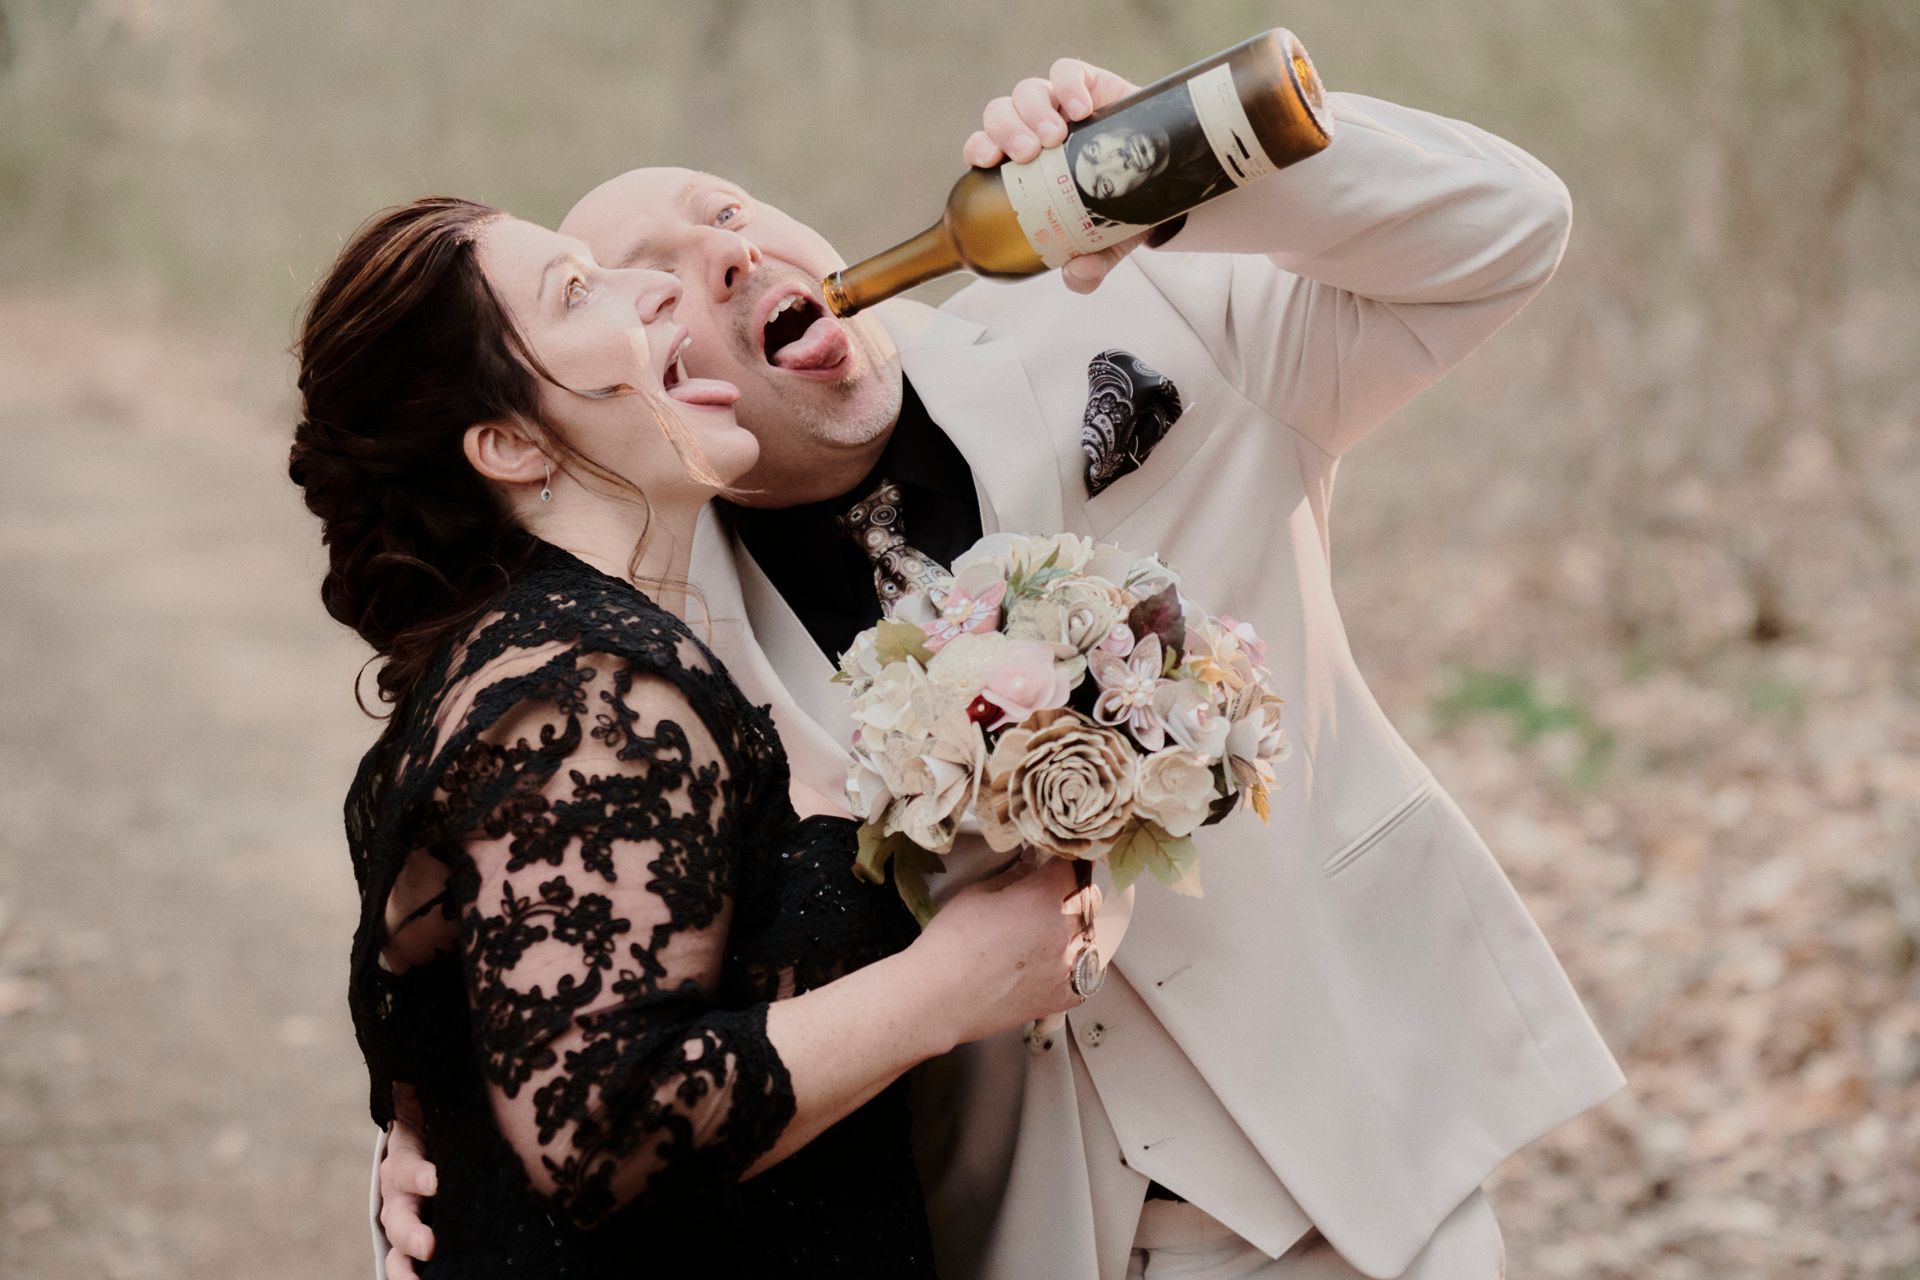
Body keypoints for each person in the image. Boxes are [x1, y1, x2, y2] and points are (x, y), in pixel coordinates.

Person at [380, 55, 1625, 1279]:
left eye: (725, 208)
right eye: (651, 281)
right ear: (641, 365)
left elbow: (1507, 231)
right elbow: (554, 967)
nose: (724, 253)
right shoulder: (642, 632)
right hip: (1014, 1223)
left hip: (1357, 1145)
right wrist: (427, 1132)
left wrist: (1177, 181)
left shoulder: (1131, 307)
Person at [292, 196, 1097, 1278]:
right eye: (581, 291)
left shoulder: (556, 650)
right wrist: (952, 982)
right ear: (508, 440)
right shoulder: (586, 688)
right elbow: (597, 1127)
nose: (659, 288)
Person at [1066, 89, 1235, 229]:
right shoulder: (1205, 195)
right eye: (1106, 185)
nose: (1118, 160)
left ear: (1101, 129)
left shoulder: (1177, 91)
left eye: (1093, 151)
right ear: (1127, 197)